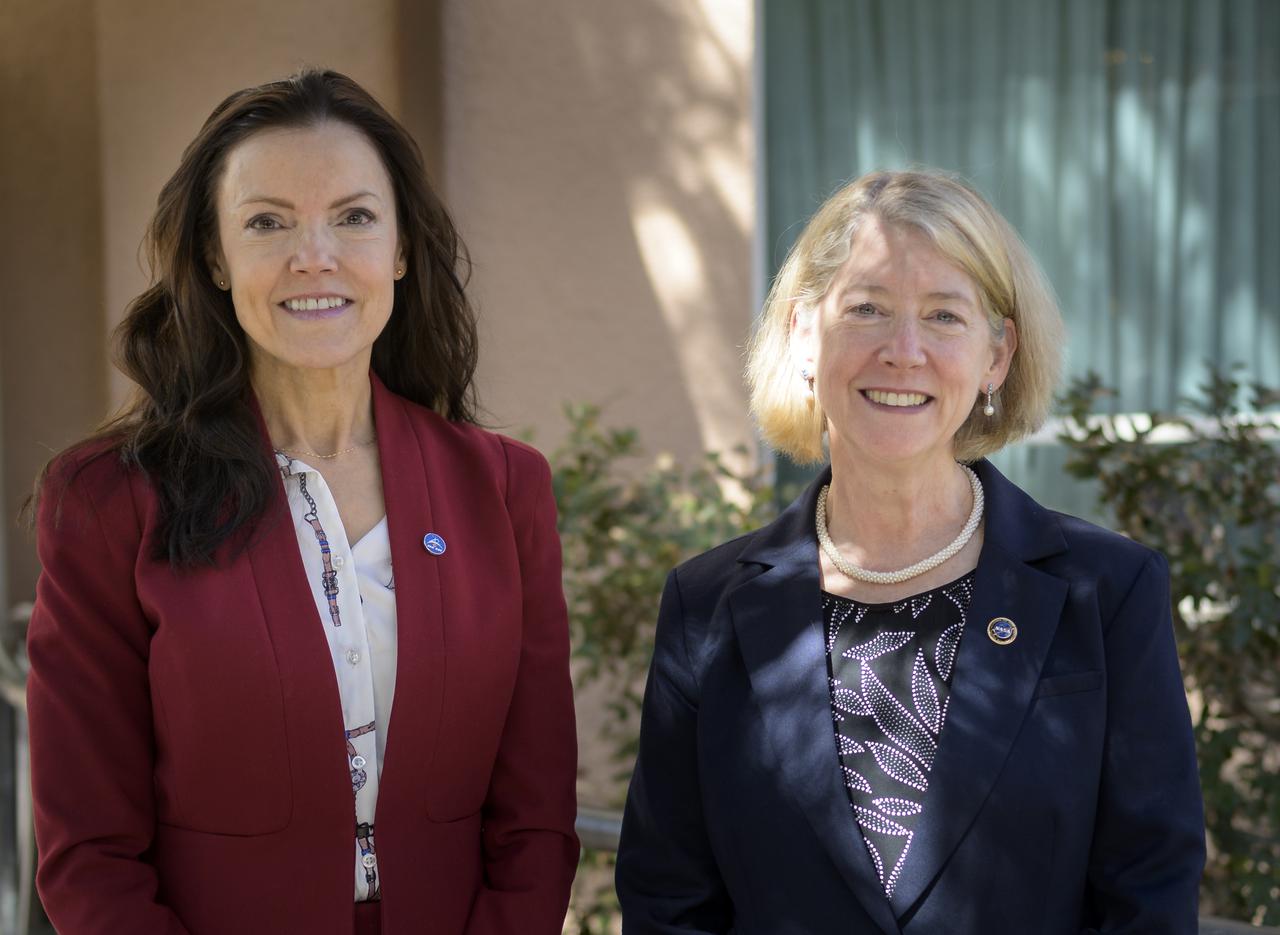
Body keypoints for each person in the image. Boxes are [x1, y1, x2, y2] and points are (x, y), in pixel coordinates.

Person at [26, 69, 578, 935]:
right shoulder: (107, 502)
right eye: (267, 222)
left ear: (399, 248)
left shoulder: (503, 489)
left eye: (354, 216)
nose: (313, 256)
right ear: (215, 256)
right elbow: (88, 849)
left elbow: (534, 814)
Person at [615, 169, 1204, 934]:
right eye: (866, 309)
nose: (903, 350)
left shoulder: (1108, 591)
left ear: (997, 356)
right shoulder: (706, 606)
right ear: (803, 333)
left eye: (944, 316)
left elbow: (1150, 893)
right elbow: (669, 903)